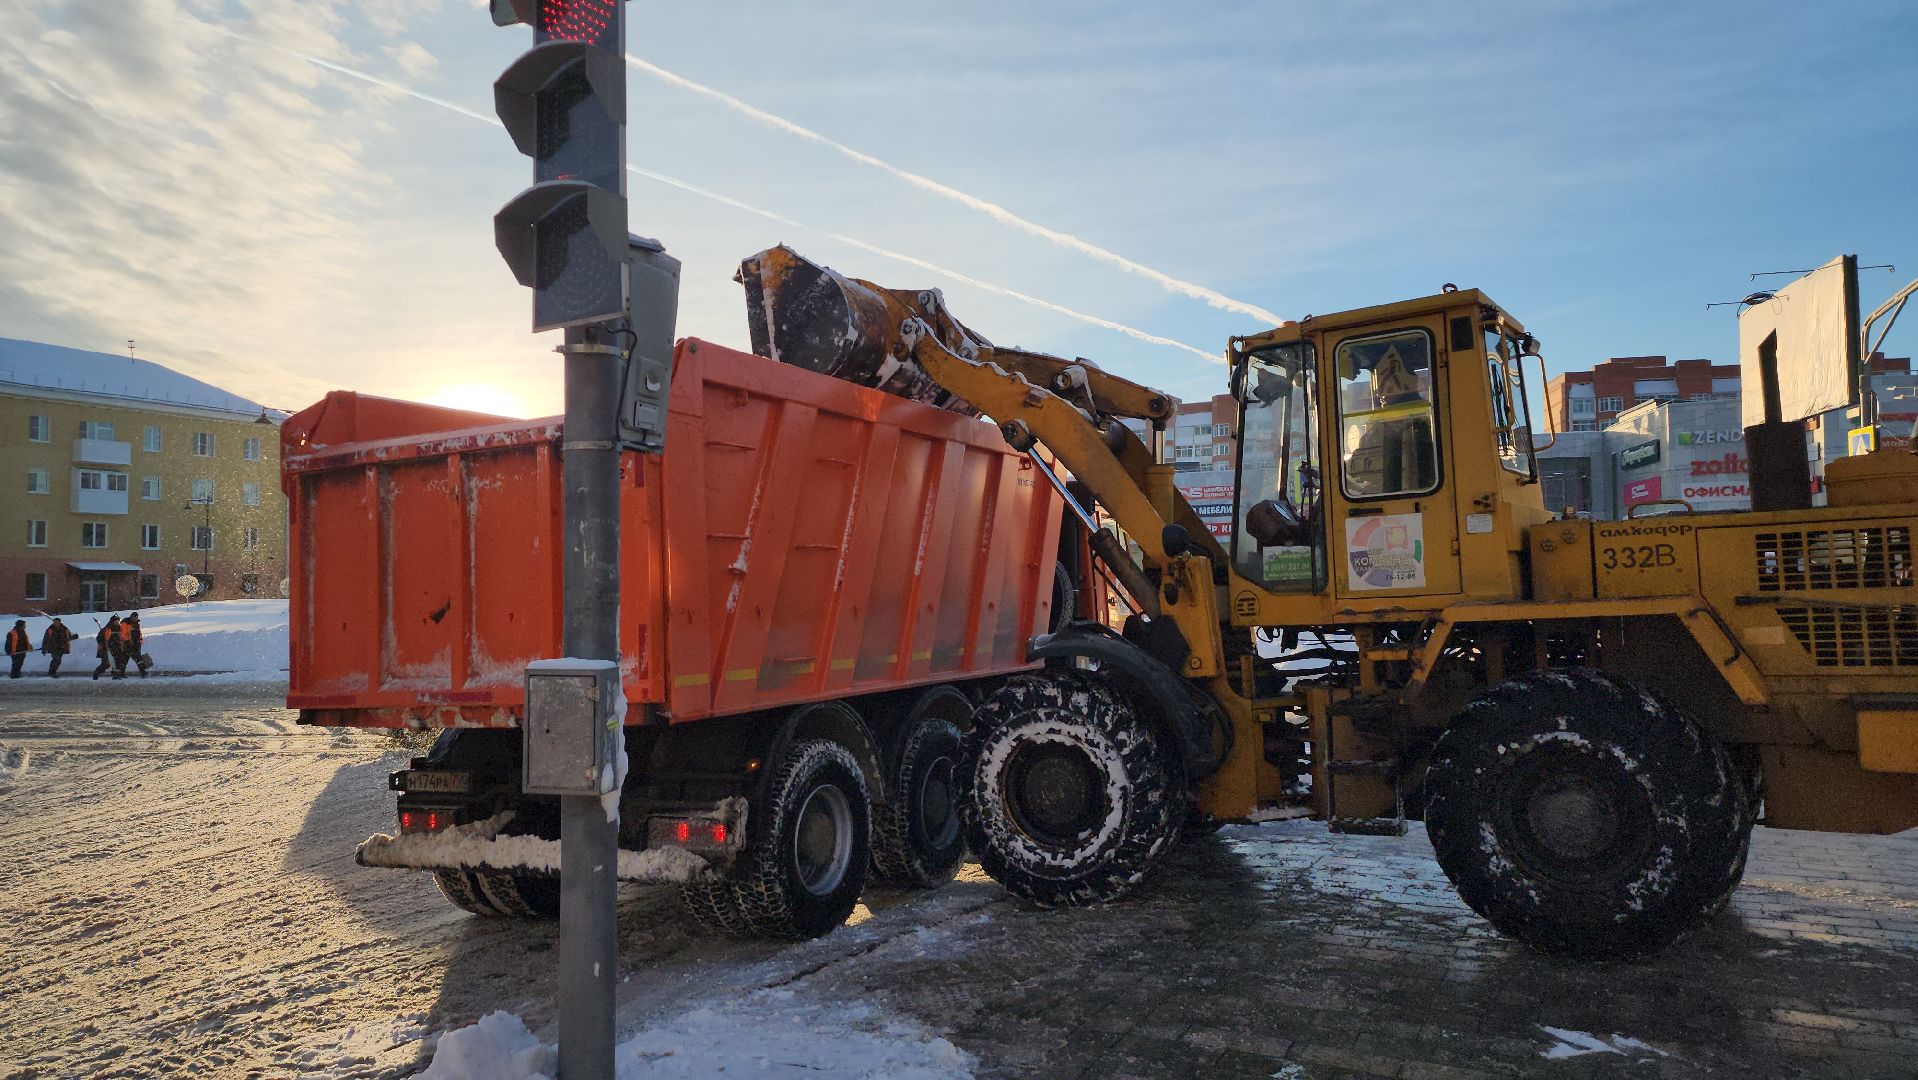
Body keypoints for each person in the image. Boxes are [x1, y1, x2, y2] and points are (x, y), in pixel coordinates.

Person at [94, 615, 122, 680]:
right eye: (116, 621)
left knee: (117, 663)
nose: (117, 623)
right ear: (112, 621)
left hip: (115, 649)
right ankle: (96, 672)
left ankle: (115, 675)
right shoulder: (106, 629)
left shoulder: (120, 629)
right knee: (106, 665)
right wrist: (102, 643)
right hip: (105, 649)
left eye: (118, 621)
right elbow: (99, 638)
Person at [124, 613, 150, 677]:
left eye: (135, 617)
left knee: (139, 659)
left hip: (136, 644)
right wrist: (128, 642)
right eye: (133, 617)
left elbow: (139, 633)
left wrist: (140, 641)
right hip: (128, 645)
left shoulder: (137, 624)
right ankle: (121, 673)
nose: (134, 619)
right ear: (131, 617)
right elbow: (123, 634)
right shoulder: (125, 624)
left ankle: (143, 672)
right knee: (125, 660)